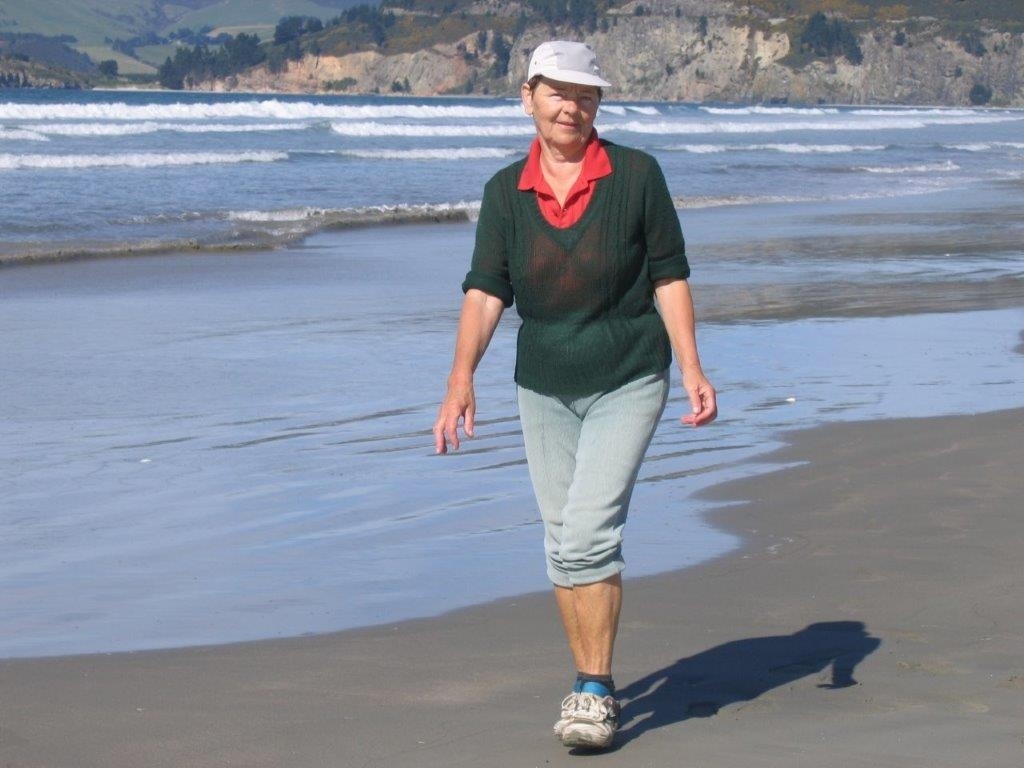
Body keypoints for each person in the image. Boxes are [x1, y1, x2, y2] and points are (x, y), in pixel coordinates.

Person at [432, 40, 717, 750]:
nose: (572, 106)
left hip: (628, 372)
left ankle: (592, 691)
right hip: (544, 384)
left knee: (589, 533)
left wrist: (692, 367)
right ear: (527, 98)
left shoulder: (638, 176)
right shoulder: (505, 192)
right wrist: (460, 377)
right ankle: (594, 678)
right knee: (564, 543)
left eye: (586, 94)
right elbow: (487, 290)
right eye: (558, 92)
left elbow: (669, 275)